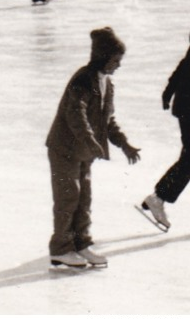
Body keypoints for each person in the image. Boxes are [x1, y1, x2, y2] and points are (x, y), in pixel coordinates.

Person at [45, 26, 141, 269]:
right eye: (115, 60)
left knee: (84, 199)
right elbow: (75, 114)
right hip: (64, 148)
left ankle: (81, 243)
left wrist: (125, 145)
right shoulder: (83, 80)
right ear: (103, 56)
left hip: (84, 151)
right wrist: (91, 141)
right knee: (68, 197)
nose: (118, 65)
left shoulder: (107, 84)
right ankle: (61, 249)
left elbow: (107, 121)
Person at [139, 32, 190, 232]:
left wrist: (167, 93)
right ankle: (158, 197)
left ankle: (158, 197)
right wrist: (167, 94)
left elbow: (180, 70)